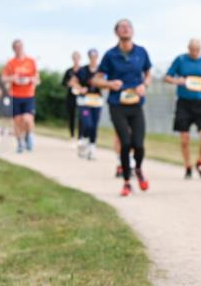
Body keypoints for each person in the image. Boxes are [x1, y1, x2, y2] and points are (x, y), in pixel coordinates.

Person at [93, 19, 152, 196]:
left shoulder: (141, 52)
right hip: (117, 105)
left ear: (133, 31)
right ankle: (127, 181)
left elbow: (148, 73)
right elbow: (96, 79)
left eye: (128, 27)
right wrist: (110, 83)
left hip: (135, 104)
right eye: (122, 27)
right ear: (116, 32)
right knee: (125, 143)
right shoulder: (110, 55)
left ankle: (139, 169)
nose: (125, 29)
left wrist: (145, 85)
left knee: (139, 144)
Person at [165, 39, 201, 178]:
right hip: (183, 103)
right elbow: (167, 77)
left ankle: (200, 161)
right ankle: (188, 165)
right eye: (192, 49)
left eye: (197, 49)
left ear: (200, 49)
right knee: (184, 138)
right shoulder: (180, 60)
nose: (194, 52)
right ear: (188, 48)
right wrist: (177, 81)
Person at [2, 40, 39, 152]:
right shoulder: (10, 63)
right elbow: (3, 78)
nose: (19, 49)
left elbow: (37, 79)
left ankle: (28, 135)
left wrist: (32, 80)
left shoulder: (31, 61)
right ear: (13, 49)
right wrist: (12, 78)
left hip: (28, 95)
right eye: (16, 47)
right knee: (17, 121)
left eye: (20, 46)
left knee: (27, 119)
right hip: (15, 95)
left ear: (23, 47)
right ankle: (20, 143)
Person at [75, 48, 104, 160]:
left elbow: (106, 82)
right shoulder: (83, 70)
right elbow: (72, 82)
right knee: (87, 124)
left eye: (95, 56)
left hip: (97, 101)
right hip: (85, 101)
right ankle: (84, 140)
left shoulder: (102, 71)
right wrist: (80, 88)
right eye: (92, 56)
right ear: (89, 57)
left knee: (94, 126)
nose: (93, 58)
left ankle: (92, 149)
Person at [62, 51, 83, 140]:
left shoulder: (83, 70)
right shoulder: (69, 71)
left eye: (77, 58)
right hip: (71, 97)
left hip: (81, 97)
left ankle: (80, 136)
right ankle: (72, 135)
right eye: (74, 58)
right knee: (72, 116)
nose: (76, 60)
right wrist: (69, 83)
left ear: (79, 59)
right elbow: (63, 83)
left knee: (82, 116)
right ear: (72, 59)